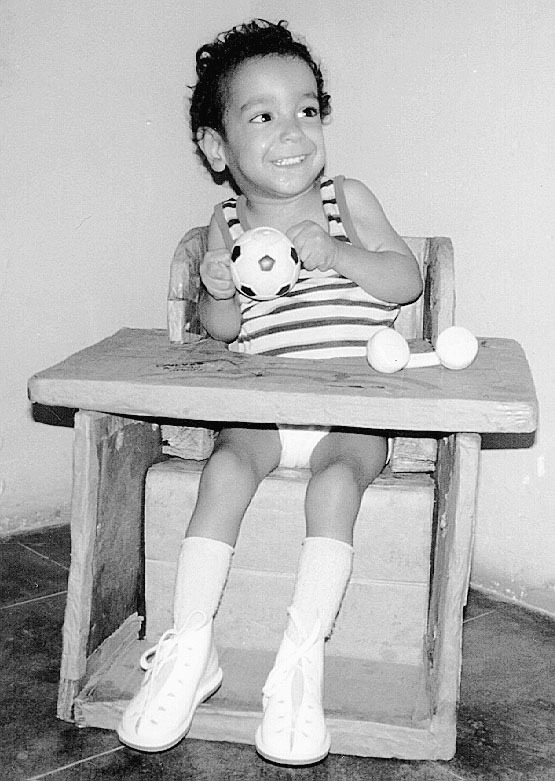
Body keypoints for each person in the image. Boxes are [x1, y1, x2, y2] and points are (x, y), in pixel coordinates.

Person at [118, 19, 423, 765]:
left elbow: (405, 280)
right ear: (218, 149)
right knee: (224, 467)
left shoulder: (344, 199)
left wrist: (341, 253)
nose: (292, 130)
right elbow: (223, 329)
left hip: (348, 408)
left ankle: (299, 657)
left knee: (340, 479)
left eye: (307, 110)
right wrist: (215, 285)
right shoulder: (221, 223)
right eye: (263, 115)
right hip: (264, 409)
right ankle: (192, 647)